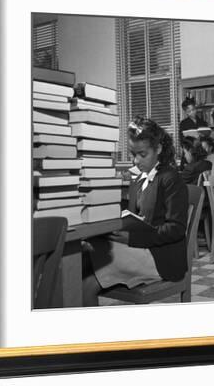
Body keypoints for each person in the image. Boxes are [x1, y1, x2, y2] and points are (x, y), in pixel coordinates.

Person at [82, 116, 189, 306]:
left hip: (161, 258)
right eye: (133, 154)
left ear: (158, 149)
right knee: (79, 263)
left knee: (86, 282)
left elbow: (176, 229)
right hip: (140, 248)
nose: (136, 160)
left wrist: (133, 239)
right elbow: (136, 216)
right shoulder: (138, 178)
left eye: (142, 154)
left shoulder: (171, 179)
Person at [178, 97, 208, 169]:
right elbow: (181, 140)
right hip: (189, 152)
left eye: (193, 109)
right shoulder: (183, 123)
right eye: (189, 111)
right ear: (186, 112)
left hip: (201, 152)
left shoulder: (203, 122)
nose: (192, 112)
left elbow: (207, 138)